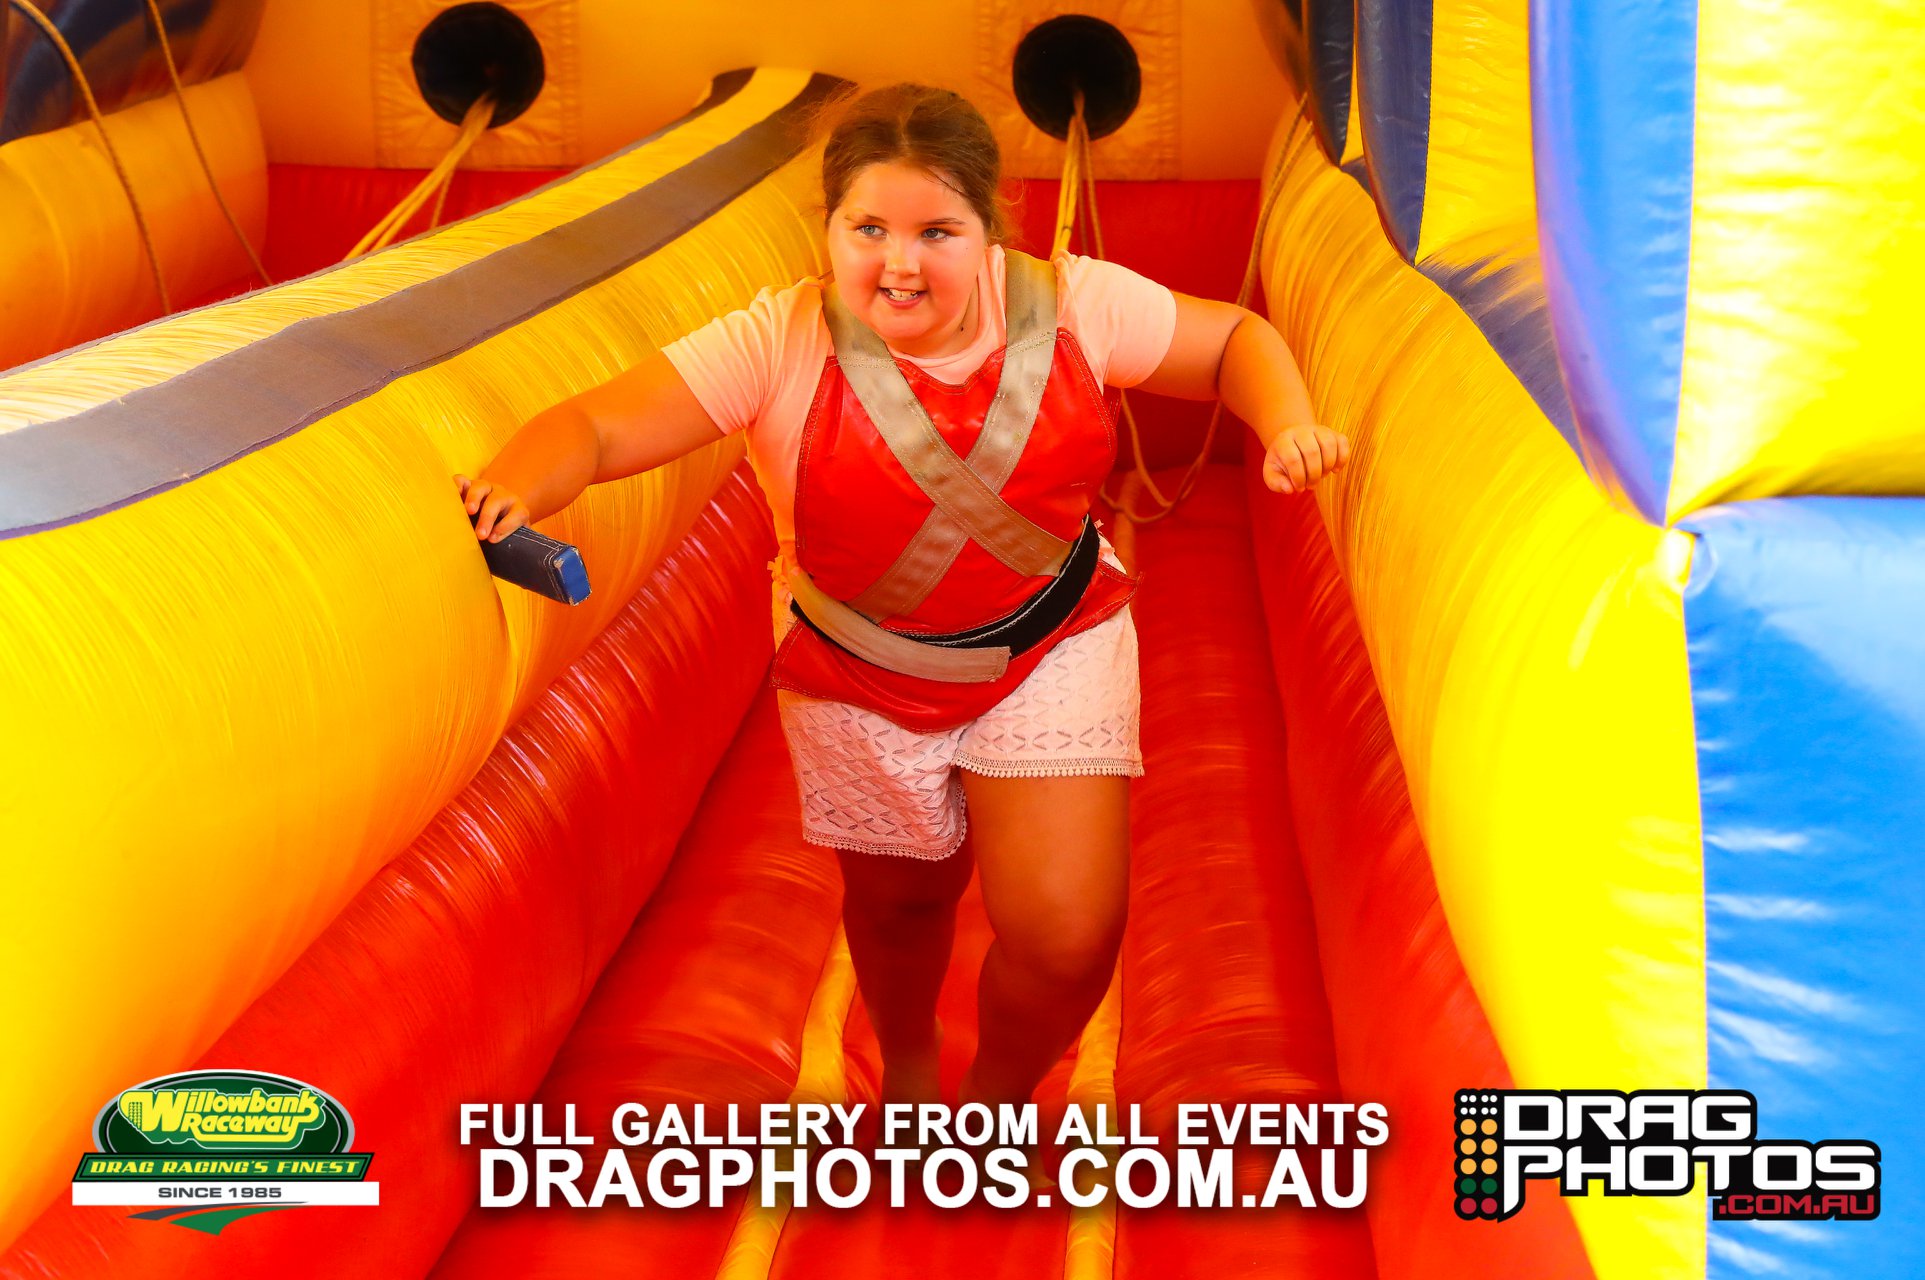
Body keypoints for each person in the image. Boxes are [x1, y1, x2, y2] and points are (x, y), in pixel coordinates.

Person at [454, 84, 1347, 1112]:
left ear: (987, 228)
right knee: (898, 905)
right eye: (868, 228)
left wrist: (1286, 422)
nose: (900, 263)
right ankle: (909, 1061)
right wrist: (517, 486)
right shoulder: (779, 337)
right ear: (829, 228)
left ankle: (994, 1100)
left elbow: (1230, 343)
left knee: (1067, 936)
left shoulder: (1075, 304)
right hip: (857, 662)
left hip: (1048, 646)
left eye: (936, 232)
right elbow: (597, 426)